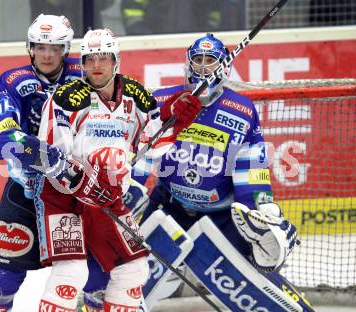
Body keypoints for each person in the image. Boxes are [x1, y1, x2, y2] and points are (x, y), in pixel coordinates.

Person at [84, 33, 315, 311]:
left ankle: (266, 264)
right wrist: (129, 187)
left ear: (223, 66)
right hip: (169, 209)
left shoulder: (242, 111)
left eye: (210, 61)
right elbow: (140, 152)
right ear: (187, 63)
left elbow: (251, 169)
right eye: (198, 60)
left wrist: (260, 209)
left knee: (256, 265)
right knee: (126, 275)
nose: (203, 67)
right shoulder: (161, 101)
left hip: (221, 216)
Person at [31, 28, 201, 311]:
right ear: (82, 64)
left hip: (109, 198)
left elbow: (152, 142)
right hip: (65, 199)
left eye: (104, 58)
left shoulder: (137, 98)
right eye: (90, 59)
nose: (96, 65)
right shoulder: (66, 98)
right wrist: (83, 180)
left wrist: (173, 119)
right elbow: (51, 157)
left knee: (133, 269)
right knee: (71, 272)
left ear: (116, 60)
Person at [0, 14, 80, 312]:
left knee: (81, 280)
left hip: (74, 197)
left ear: (66, 48)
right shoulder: (13, 81)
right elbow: (0, 137)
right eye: (40, 46)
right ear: (30, 47)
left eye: (55, 48)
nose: (47, 54)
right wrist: (46, 157)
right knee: (1, 283)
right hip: (25, 192)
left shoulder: (86, 73)